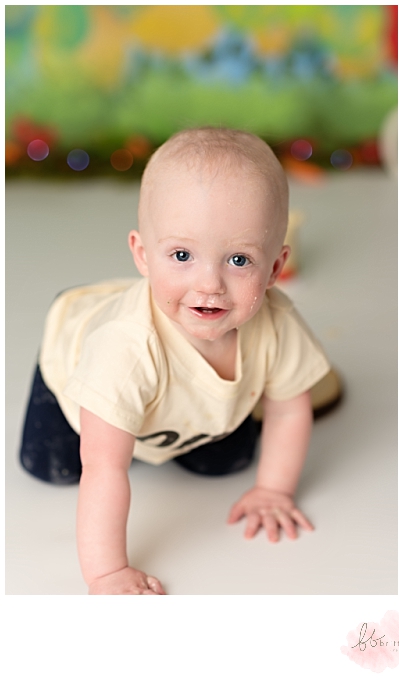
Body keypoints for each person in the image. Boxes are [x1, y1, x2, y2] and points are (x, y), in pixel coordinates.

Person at [19, 128, 330, 594]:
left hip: (188, 411)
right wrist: (106, 573)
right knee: (52, 467)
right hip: (75, 378)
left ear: (275, 268)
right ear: (143, 254)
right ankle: (84, 330)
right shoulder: (123, 347)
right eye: (182, 255)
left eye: (239, 260)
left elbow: (288, 409)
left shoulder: (278, 323)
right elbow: (104, 467)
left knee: (229, 462)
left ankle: (166, 428)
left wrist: (273, 489)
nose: (210, 284)